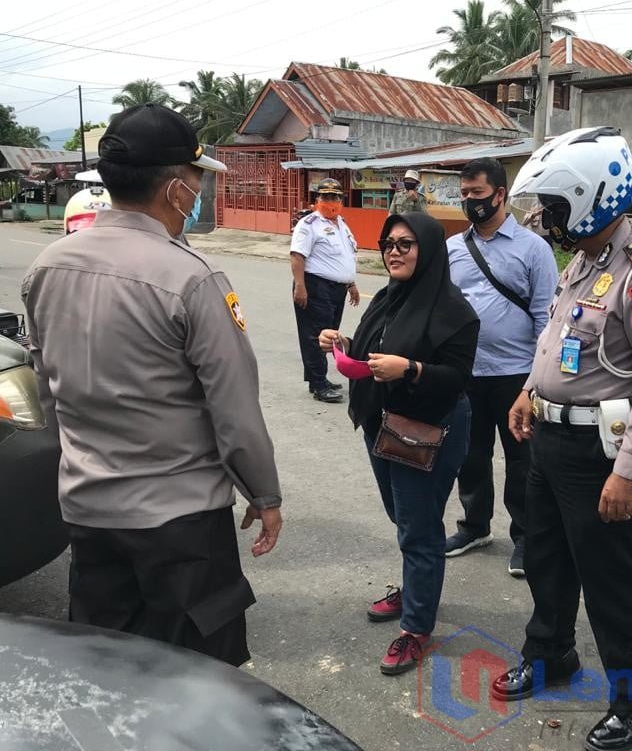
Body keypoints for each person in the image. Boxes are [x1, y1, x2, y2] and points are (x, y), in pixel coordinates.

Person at [20, 103, 283, 666]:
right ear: (174, 189)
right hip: (180, 524)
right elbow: (235, 411)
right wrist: (264, 495)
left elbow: (49, 393)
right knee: (200, 682)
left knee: (109, 672)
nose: (199, 192)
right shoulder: (192, 278)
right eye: (196, 180)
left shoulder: (47, 267)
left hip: (90, 514)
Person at [489, 127, 632, 751]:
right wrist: (529, 390)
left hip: (602, 452)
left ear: (590, 197)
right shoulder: (582, 260)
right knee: (545, 559)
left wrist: (629, 471)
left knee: (614, 579)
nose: (544, 215)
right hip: (548, 438)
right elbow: (556, 340)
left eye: (553, 203)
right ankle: (550, 653)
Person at [317, 213, 479, 676]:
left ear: (428, 250)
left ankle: (417, 627)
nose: (393, 251)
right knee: (403, 516)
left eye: (405, 244)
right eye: (388, 243)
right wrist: (342, 342)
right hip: (382, 422)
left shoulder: (455, 312)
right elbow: (374, 351)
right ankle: (416, 589)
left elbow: (457, 378)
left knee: (419, 527)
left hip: (428, 427)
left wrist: (410, 369)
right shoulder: (389, 297)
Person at [444, 157, 558, 576]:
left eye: (477, 193)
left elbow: (547, 318)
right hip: (467, 373)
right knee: (469, 456)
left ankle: (527, 536)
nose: (470, 201)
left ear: (500, 194)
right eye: (464, 194)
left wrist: (536, 382)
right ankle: (474, 526)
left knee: (522, 461)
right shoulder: (453, 249)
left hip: (517, 376)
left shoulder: (534, 249)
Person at [290, 178, 360, 404]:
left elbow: (346, 256)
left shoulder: (342, 224)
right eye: (326, 197)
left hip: (337, 289)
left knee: (328, 334)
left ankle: (318, 379)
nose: (331, 201)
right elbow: (297, 255)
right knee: (316, 336)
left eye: (335, 197)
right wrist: (300, 285)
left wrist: (351, 284)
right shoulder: (309, 224)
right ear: (318, 199)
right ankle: (319, 384)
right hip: (315, 286)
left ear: (341, 200)